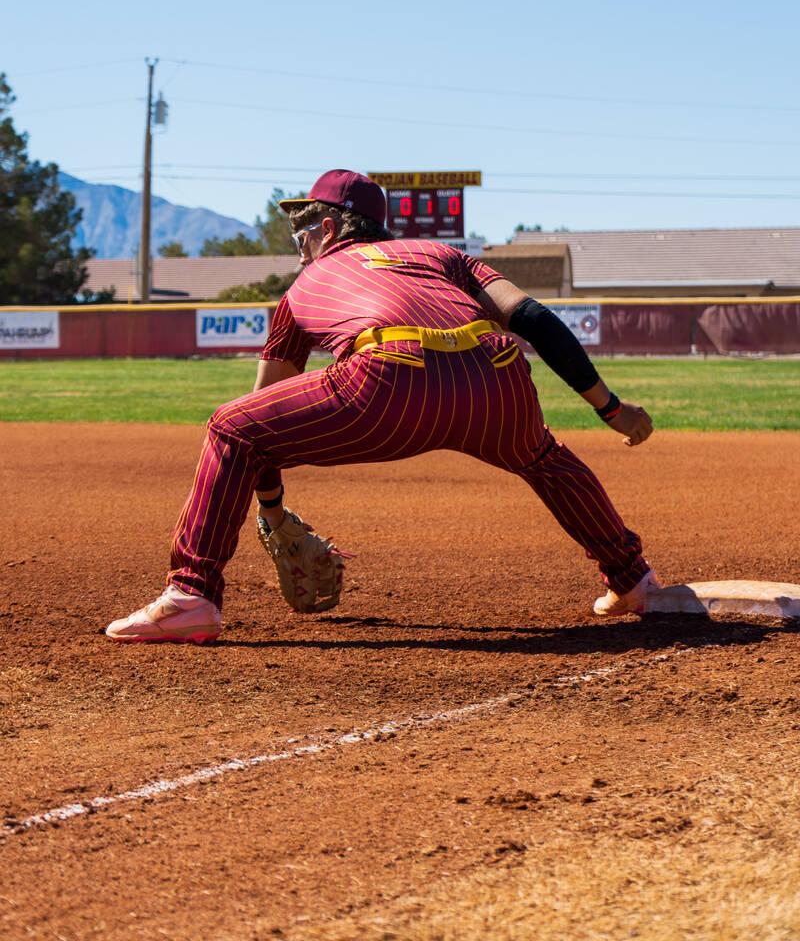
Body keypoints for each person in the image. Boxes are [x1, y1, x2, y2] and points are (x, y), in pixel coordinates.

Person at [106, 169, 658, 643]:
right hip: (497, 376)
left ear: (329, 228)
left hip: (391, 383)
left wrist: (272, 511)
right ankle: (631, 579)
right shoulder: (440, 253)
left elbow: (258, 419)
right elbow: (534, 318)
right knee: (543, 459)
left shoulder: (305, 286)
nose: (298, 239)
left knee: (231, 428)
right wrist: (610, 408)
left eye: (303, 225)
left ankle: (192, 596)